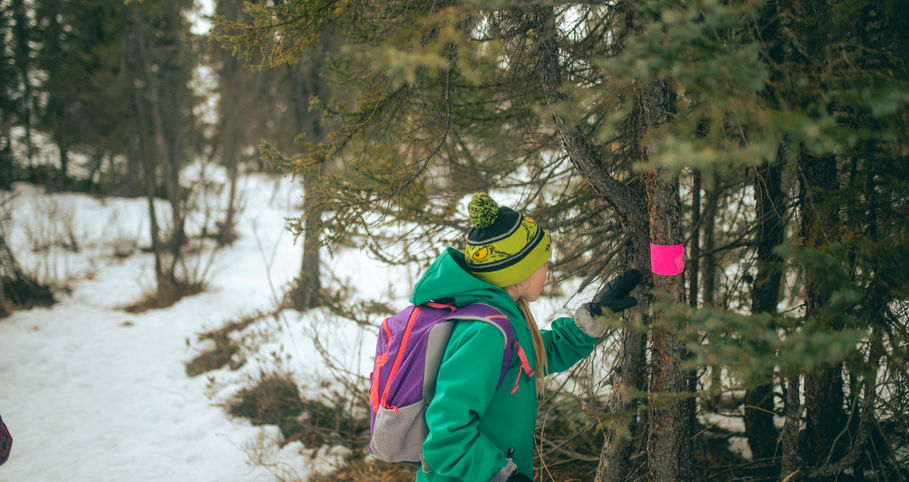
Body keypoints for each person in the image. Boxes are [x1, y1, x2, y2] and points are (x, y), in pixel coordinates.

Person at [413, 193, 642, 482]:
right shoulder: (486, 333)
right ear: (518, 273)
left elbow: (534, 355)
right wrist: (502, 476)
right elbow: (446, 435)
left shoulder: (501, 317)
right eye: (542, 262)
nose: (547, 269)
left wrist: (592, 317)